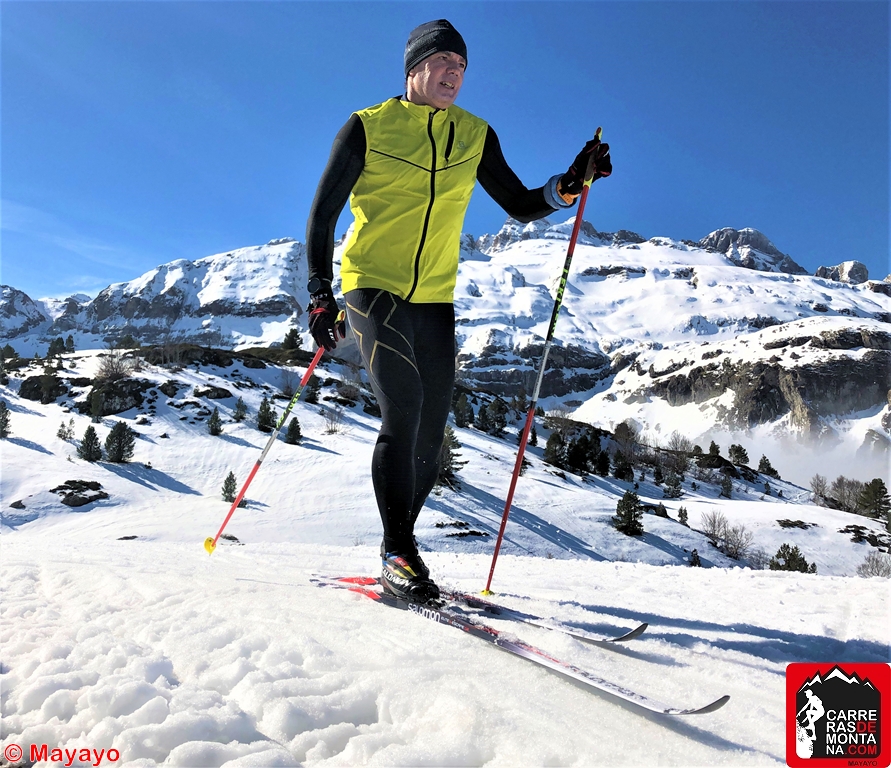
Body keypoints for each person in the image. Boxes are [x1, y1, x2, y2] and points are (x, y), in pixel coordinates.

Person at [305, 19, 611, 602]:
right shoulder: (367, 127)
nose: (455, 72)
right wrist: (321, 293)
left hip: (434, 296)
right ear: (414, 68)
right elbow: (323, 214)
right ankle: (399, 553)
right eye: (444, 60)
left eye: (463, 65)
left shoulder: (474, 134)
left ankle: (399, 545)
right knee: (404, 406)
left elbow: (520, 203)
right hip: (373, 285)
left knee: (432, 428)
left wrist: (571, 182)